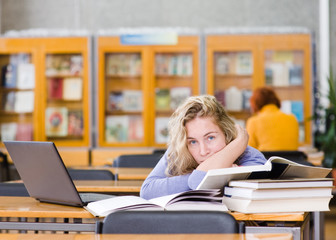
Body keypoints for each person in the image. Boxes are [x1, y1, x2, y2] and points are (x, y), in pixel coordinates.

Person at [140, 95, 267, 200]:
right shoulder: (181, 150)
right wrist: (220, 173)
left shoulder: (248, 154)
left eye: (210, 138)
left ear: (226, 133)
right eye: (193, 142)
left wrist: (238, 145)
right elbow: (147, 191)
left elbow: (198, 180)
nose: (203, 151)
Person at [246, 87, 299, 151]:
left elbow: (250, 150)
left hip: (265, 160)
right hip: (291, 160)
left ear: (255, 103)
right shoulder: (292, 118)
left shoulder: (253, 121)